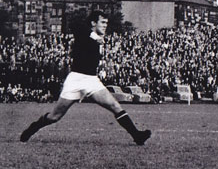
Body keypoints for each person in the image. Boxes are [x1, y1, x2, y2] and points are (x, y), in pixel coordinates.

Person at [20, 10, 151, 145]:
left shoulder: (97, 38)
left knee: (115, 105)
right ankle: (33, 128)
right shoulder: (84, 34)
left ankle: (137, 136)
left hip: (91, 80)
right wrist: (94, 36)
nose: (105, 25)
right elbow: (78, 29)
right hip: (75, 80)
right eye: (102, 22)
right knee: (55, 116)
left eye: (106, 23)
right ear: (93, 23)